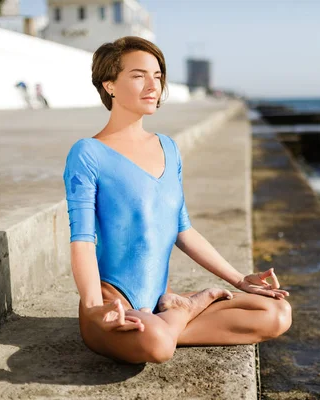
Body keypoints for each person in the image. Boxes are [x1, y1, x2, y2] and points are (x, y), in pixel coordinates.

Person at [62, 36, 292, 364]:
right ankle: (187, 309)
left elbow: (183, 230)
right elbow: (82, 242)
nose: (153, 85)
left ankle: (168, 320)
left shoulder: (168, 147)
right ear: (109, 84)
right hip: (113, 307)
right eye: (139, 75)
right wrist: (93, 307)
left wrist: (241, 280)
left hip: (156, 306)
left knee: (277, 313)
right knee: (155, 346)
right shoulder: (88, 153)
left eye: (158, 76)